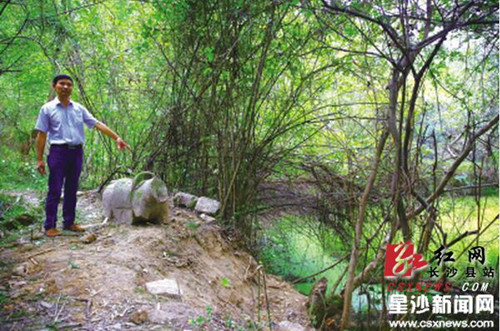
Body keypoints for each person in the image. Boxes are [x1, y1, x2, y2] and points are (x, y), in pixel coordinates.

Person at [35, 74, 129, 237]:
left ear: (72, 88)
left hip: (76, 152)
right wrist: (39, 159)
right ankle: (49, 225)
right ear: (54, 86)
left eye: (69, 84)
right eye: (61, 84)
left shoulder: (79, 108)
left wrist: (117, 137)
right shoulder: (47, 109)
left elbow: (97, 124)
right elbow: (41, 134)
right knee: (55, 190)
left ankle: (69, 222)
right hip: (58, 152)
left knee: (72, 188)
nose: (65, 87)